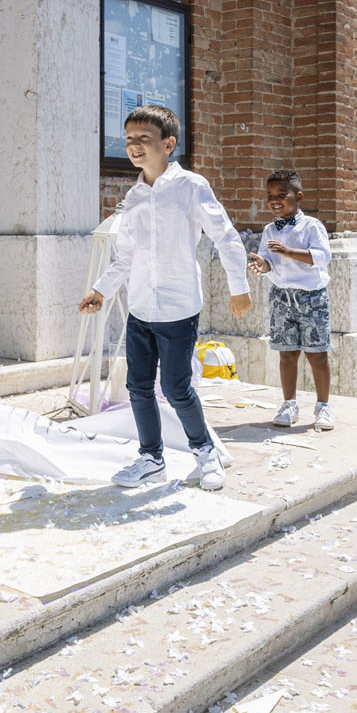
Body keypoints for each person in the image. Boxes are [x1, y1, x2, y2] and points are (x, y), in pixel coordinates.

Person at [81, 104, 252, 490]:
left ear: (168, 144)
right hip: (141, 308)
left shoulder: (191, 187)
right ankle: (151, 458)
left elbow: (224, 236)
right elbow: (126, 256)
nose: (135, 146)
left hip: (177, 307)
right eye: (129, 140)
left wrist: (238, 288)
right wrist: (101, 289)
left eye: (144, 139)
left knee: (176, 387)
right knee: (138, 386)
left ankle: (205, 453)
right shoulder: (135, 197)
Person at [247, 168, 334, 430]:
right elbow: (269, 262)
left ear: (298, 197)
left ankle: (323, 407)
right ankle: (289, 404)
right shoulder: (269, 230)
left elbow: (322, 257)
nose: (275, 199)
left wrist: (289, 251)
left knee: (317, 354)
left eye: (281, 195)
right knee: (287, 353)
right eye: (270, 195)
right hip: (282, 298)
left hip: (312, 298)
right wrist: (261, 265)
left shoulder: (312, 226)